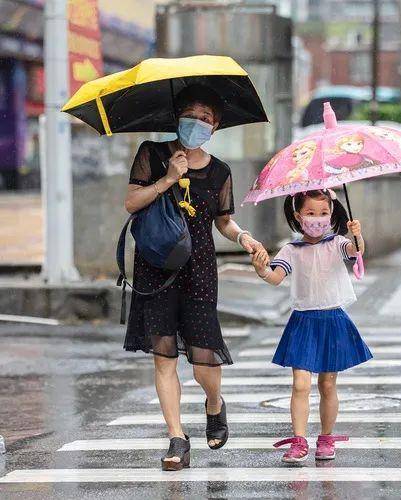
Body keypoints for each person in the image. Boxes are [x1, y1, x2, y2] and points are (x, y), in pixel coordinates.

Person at [123, 84, 269, 470]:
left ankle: (214, 403)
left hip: (200, 267)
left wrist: (243, 236)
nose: (197, 123)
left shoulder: (220, 170)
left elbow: (223, 220)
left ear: (216, 126)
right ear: (177, 118)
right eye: (190, 115)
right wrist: (168, 178)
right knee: (164, 355)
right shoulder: (153, 154)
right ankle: (176, 438)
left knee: (204, 356)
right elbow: (131, 202)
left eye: (205, 118)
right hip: (156, 265)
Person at [251, 189, 372, 463]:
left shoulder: (338, 242)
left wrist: (358, 234)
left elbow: (356, 251)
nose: (318, 219)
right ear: (298, 216)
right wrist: (261, 270)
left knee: (328, 385)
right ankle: (299, 441)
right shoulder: (291, 250)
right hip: (303, 322)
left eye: (323, 213)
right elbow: (275, 276)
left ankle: (326, 438)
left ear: (331, 214)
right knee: (300, 385)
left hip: (332, 320)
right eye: (310, 213)